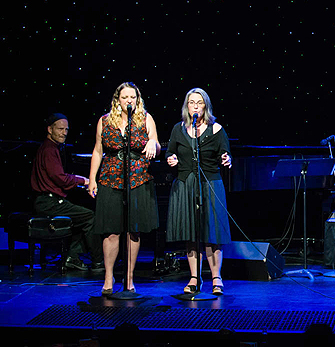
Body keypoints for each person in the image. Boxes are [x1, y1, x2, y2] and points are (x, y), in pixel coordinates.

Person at [88, 82, 160, 295]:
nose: (129, 100)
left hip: (137, 179)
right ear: (117, 100)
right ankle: (109, 277)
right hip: (110, 178)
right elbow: (97, 150)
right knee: (111, 231)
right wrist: (92, 179)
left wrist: (152, 143)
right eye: (125, 97)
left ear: (138, 99)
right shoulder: (104, 121)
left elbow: (156, 144)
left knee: (132, 231)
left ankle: (129, 278)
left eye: (132, 97)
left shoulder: (145, 118)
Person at [165, 88, 232, 296]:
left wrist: (226, 159)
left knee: (213, 233)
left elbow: (225, 154)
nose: (195, 106)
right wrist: (171, 159)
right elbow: (170, 152)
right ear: (187, 106)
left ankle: (216, 277)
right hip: (186, 184)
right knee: (191, 233)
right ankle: (194, 277)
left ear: (206, 106)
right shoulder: (178, 129)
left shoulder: (217, 129)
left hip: (210, 184)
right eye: (192, 102)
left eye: (199, 102)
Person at [30, 113, 104, 271]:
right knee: (90, 217)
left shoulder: (50, 148)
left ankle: (72, 257)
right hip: (50, 203)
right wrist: (83, 180)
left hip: (48, 201)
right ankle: (98, 261)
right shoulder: (49, 150)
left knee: (81, 218)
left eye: (66, 129)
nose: (64, 133)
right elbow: (60, 178)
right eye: (60, 129)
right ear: (50, 129)